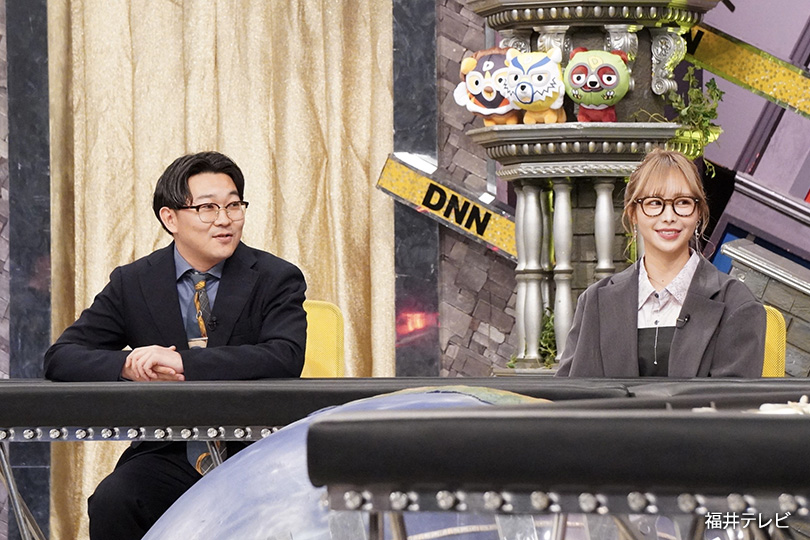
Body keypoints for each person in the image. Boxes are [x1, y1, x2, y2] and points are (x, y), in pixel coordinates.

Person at [44, 151, 307, 538]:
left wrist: (183, 363)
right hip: (168, 450)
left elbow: (285, 356)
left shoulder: (275, 277)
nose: (224, 219)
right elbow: (62, 357)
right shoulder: (134, 282)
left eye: (234, 205)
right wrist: (128, 366)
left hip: (255, 452)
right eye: (207, 208)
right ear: (170, 219)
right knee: (115, 499)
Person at [556, 148, 765, 377]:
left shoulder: (737, 304)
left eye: (682, 202)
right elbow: (572, 391)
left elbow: (733, 398)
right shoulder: (595, 302)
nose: (669, 217)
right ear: (633, 213)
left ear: (698, 212)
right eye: (655, 203)